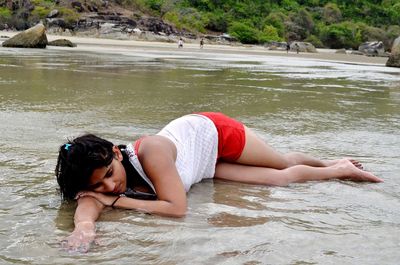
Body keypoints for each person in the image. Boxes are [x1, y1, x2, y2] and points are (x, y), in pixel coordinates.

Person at [56, 112, 382, 252]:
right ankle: (341, 169)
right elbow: (87, 203)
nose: (109, 187)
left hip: (214, 134)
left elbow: (176, 208)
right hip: (202, 166)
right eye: (99, 185)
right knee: (277, 181)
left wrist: (115, 201)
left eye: (110, 176)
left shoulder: (151, 151)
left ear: (115, 152)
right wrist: (83, 228)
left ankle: (334, 165)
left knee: (281, 162)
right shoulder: (102, 182)